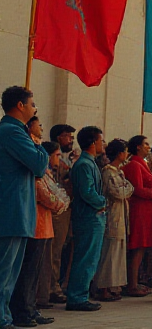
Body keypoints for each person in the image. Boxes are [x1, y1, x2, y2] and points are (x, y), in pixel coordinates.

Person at [0, 86, 49, 327]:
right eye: (32, 104)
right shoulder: (12, 132)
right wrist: (37, 142)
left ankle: (6, 316)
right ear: (20, 106)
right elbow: (39, 165)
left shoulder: (13, 131)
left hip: (17, 212)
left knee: (10, 275)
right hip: (11, 211)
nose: (35, 108)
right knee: (4, 273)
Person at [10, 140, 65, 328]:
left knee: (35, 272)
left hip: (43, 226)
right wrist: (60, 203)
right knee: (28, 272)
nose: (59, 158)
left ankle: (31, 308)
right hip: (35, 227)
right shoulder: (37, 174)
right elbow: (46, 195)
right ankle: (23, 310)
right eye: (56, 155)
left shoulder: (45, 173)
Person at [66, 126, 107, 312]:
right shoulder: (84, 165)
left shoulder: (89, 163)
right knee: (85, 257)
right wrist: (102, 202)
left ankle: (81, 294)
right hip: (88, 216)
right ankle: (76, 297)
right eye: (100, 140)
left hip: (93, 216)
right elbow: (87, 191)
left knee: (90, 257)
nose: (103, 144)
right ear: (92, 143)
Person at [94, 139, 135, 301]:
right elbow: (119, 192)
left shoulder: (119, 171)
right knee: (109, 253)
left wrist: (128, 188)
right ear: (119, 153)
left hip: (121, 214)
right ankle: (102, 288)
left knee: (117, 252)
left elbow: (128, 188)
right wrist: (128, 188)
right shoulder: (108, 172)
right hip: (112, 215)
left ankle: (113, 285)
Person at [123, 135, 152, 297]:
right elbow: (137, 189)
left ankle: (136, 281)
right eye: (146, 144)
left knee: (143, 247)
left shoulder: (142, 164)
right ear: (138, 146)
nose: (148, 147)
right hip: (140, 209)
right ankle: (132, 284)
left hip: (147, 208)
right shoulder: (134, 165)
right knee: (137, 246)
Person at [44, 124, 75, 306]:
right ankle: (51, 288)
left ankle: (57, 284)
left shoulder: (66, 159)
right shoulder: (54, 161)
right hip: (56, 210)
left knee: (61, 250)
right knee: (53, 251)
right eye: (66, 136)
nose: (70, 139)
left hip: (65, 209)